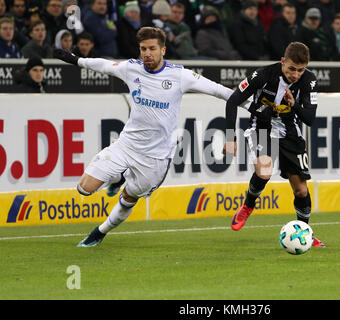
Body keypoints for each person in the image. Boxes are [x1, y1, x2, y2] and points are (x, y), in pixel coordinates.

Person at [53, 26, 249, 247]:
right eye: (143, 48)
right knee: (84, 189)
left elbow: (220, 91)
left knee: (129, 199)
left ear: (163, 50)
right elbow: (105, 65)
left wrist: (254, 106)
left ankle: (100, 231)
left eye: (152, 48)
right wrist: (76, 60)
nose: (147, 53)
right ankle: (118, 177)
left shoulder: (180, 75)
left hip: (155, 158)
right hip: (127, 145)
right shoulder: (131, 69)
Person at [222, 41, 325, 247]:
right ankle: (248, 206)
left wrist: (293, 105)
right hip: (262, 127)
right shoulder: (263, 75)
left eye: (300, 70)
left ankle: (304, 232)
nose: (296, 74)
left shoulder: (309, 82)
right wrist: (230, 137)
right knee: (264, 170)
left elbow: (310, 119)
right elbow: (233, 100)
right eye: (291, 69)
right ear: (282, 62)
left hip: (291, 132)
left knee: (301, 191)